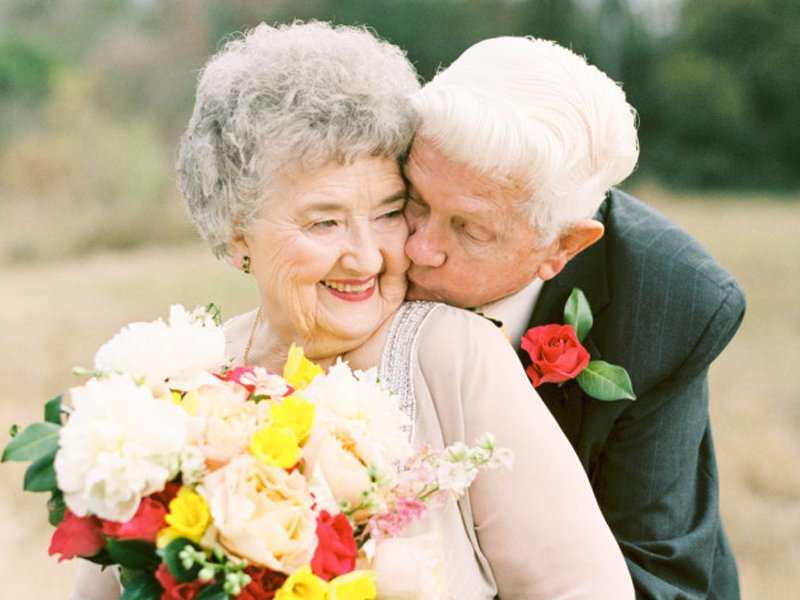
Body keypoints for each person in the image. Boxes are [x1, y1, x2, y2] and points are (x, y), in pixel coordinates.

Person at [69, 22, 633, 600]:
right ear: (237, 232)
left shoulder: (453, 356)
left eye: (390, 211)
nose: (367, 256)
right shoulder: (166, 390)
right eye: (324, 222)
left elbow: (582, 588)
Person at [404, 36, 745, 599]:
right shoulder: (365, 233)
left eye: (469, 228)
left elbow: (655, 570)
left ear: (561, 246)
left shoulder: (667, 302)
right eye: (415, 199)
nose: (419, 248)